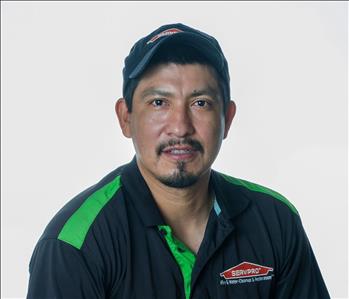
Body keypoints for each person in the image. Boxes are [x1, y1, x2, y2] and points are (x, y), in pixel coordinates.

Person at [27, 23, 330, 299]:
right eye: (159, 103)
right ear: (126, 118)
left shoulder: (275, 221)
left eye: (201, 103)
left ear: (227, 118)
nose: (180, 126)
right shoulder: (75, 245)